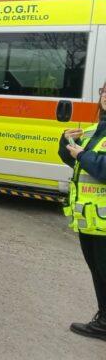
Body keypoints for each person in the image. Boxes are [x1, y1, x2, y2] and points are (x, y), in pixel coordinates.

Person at [59, 84, 106, 340]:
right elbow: (75, 160)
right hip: (91, 219)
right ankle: (104, 320)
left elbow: (97, 165)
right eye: (105, 91)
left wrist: (83, 156)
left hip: (102, 222)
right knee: (98, 271)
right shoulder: (95, 130)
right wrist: (66, 142)